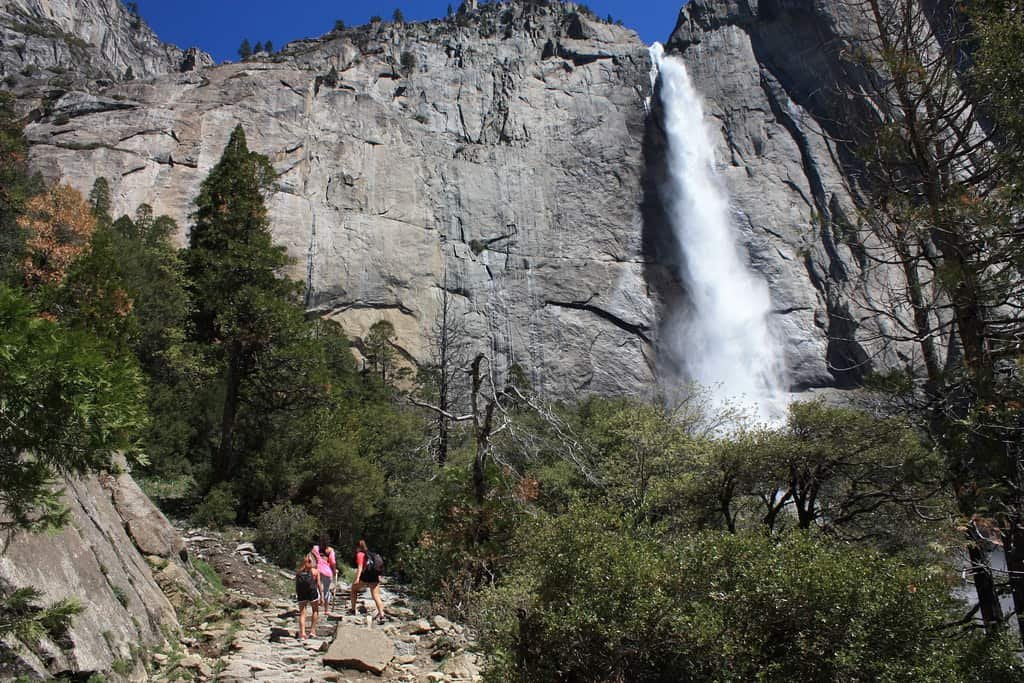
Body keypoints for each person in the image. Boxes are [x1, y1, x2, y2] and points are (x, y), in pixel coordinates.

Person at [350, 539, 386, 624]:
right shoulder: (371, 554)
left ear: (358, 547)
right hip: (374, 576)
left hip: (365, 576)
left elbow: (360, 567)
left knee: (353, 589)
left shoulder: (360, 554)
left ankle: (352, 609)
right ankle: (382, 615)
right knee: (376, 596)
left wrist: (357, 579)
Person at [295, 553, 320, 640]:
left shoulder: (298, 572)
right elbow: (318, 584)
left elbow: (296, 584)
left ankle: (302, 633)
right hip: (312, 592)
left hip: (301, 592)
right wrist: (322, 595)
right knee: (315, 610)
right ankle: (312, 631)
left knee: (302, 613)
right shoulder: (315, 571)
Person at [312, 535, 336, 611]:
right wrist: (335, 571)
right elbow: (332, 562)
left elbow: (311, 558)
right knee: (326, 591)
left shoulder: (315, 548)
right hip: (327, 572)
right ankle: (326, 610)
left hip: (317, 571)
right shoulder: (330, 550)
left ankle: (316, 609)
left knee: (316, 589)